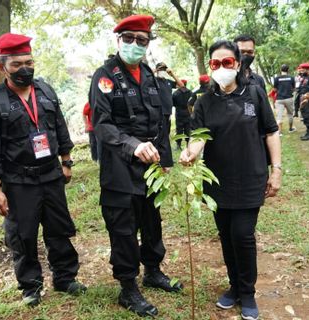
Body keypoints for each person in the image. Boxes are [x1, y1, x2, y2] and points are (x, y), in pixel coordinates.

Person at [0, 33, 86, 307]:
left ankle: (65, 277)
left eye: (29, 61)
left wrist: (66, 160)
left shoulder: (46, 91)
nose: (24, 68)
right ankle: (31, 286)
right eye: (17, 64)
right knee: (23, 235)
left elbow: (59, 126)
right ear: (3, 67)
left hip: (51, 173)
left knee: (59, 228)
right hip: (17, 179)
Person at [180, 40, 281, 320]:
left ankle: (247, 292)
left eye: (227, 63)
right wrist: (190, 153)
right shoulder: (204, 102)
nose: (221, 68)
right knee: (226, 236)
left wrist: (277, 170)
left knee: (242, 235)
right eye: (215, 64)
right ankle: (234, 287)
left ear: (237, 64)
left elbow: (271, 132)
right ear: (210, 67)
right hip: (217, 181)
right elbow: (199, 136)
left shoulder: (255, 94)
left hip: (251, 177)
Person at [89, 14, 182, 317]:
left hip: (152, 168)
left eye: (141, 40)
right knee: (124, 228)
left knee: (152, 221)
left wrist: (165, 162)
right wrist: (133, 145)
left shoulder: (152, 76)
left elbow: (161, 123)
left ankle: (153, 271)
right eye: (128, 38)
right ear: (118, 41)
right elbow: (102, 125)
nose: (135, 44)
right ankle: (128, 288)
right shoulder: (105, 76)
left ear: (147, 44)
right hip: (120, 168)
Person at [155, 62, 185, 166]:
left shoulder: (167, 81)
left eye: (164, 69)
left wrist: (172, 74)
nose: (163, 71)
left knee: (165, 136)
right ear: (158, 71)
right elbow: (144, 79)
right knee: (161, 137)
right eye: (161, 69)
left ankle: (164, 158)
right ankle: (161, 160)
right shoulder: (154, 81)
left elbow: (181, 85)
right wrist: (155, 71)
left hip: (168, 113)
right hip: (159, 113)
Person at [273, 64, 296, 133]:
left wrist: (279, 91)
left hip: (279, 99)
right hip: (289, 98)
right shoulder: (291, 78)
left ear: (280, 70)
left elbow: (274, 89)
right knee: (290, 114)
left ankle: (279, 132)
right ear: (288, 70)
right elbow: (294, 88)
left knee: (279, 116)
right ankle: (290, 128)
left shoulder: (277, 78)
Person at [172, 79, 192, 149]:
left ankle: (178, 145)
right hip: (188, 113)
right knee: (188, 129)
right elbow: (192, 103)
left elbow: (173, 104)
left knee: (179, 130)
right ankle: (188, 145)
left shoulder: (175, 93)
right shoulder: (190, 92)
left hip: (179, 113)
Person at [298, 63, 309, 141]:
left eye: (303, 69)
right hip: (303, 99)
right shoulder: (305, 77)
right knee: (305, 116)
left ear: (307, 69)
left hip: (308, 100)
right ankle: (308, 132)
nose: (301, 71)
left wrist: (308, 99)